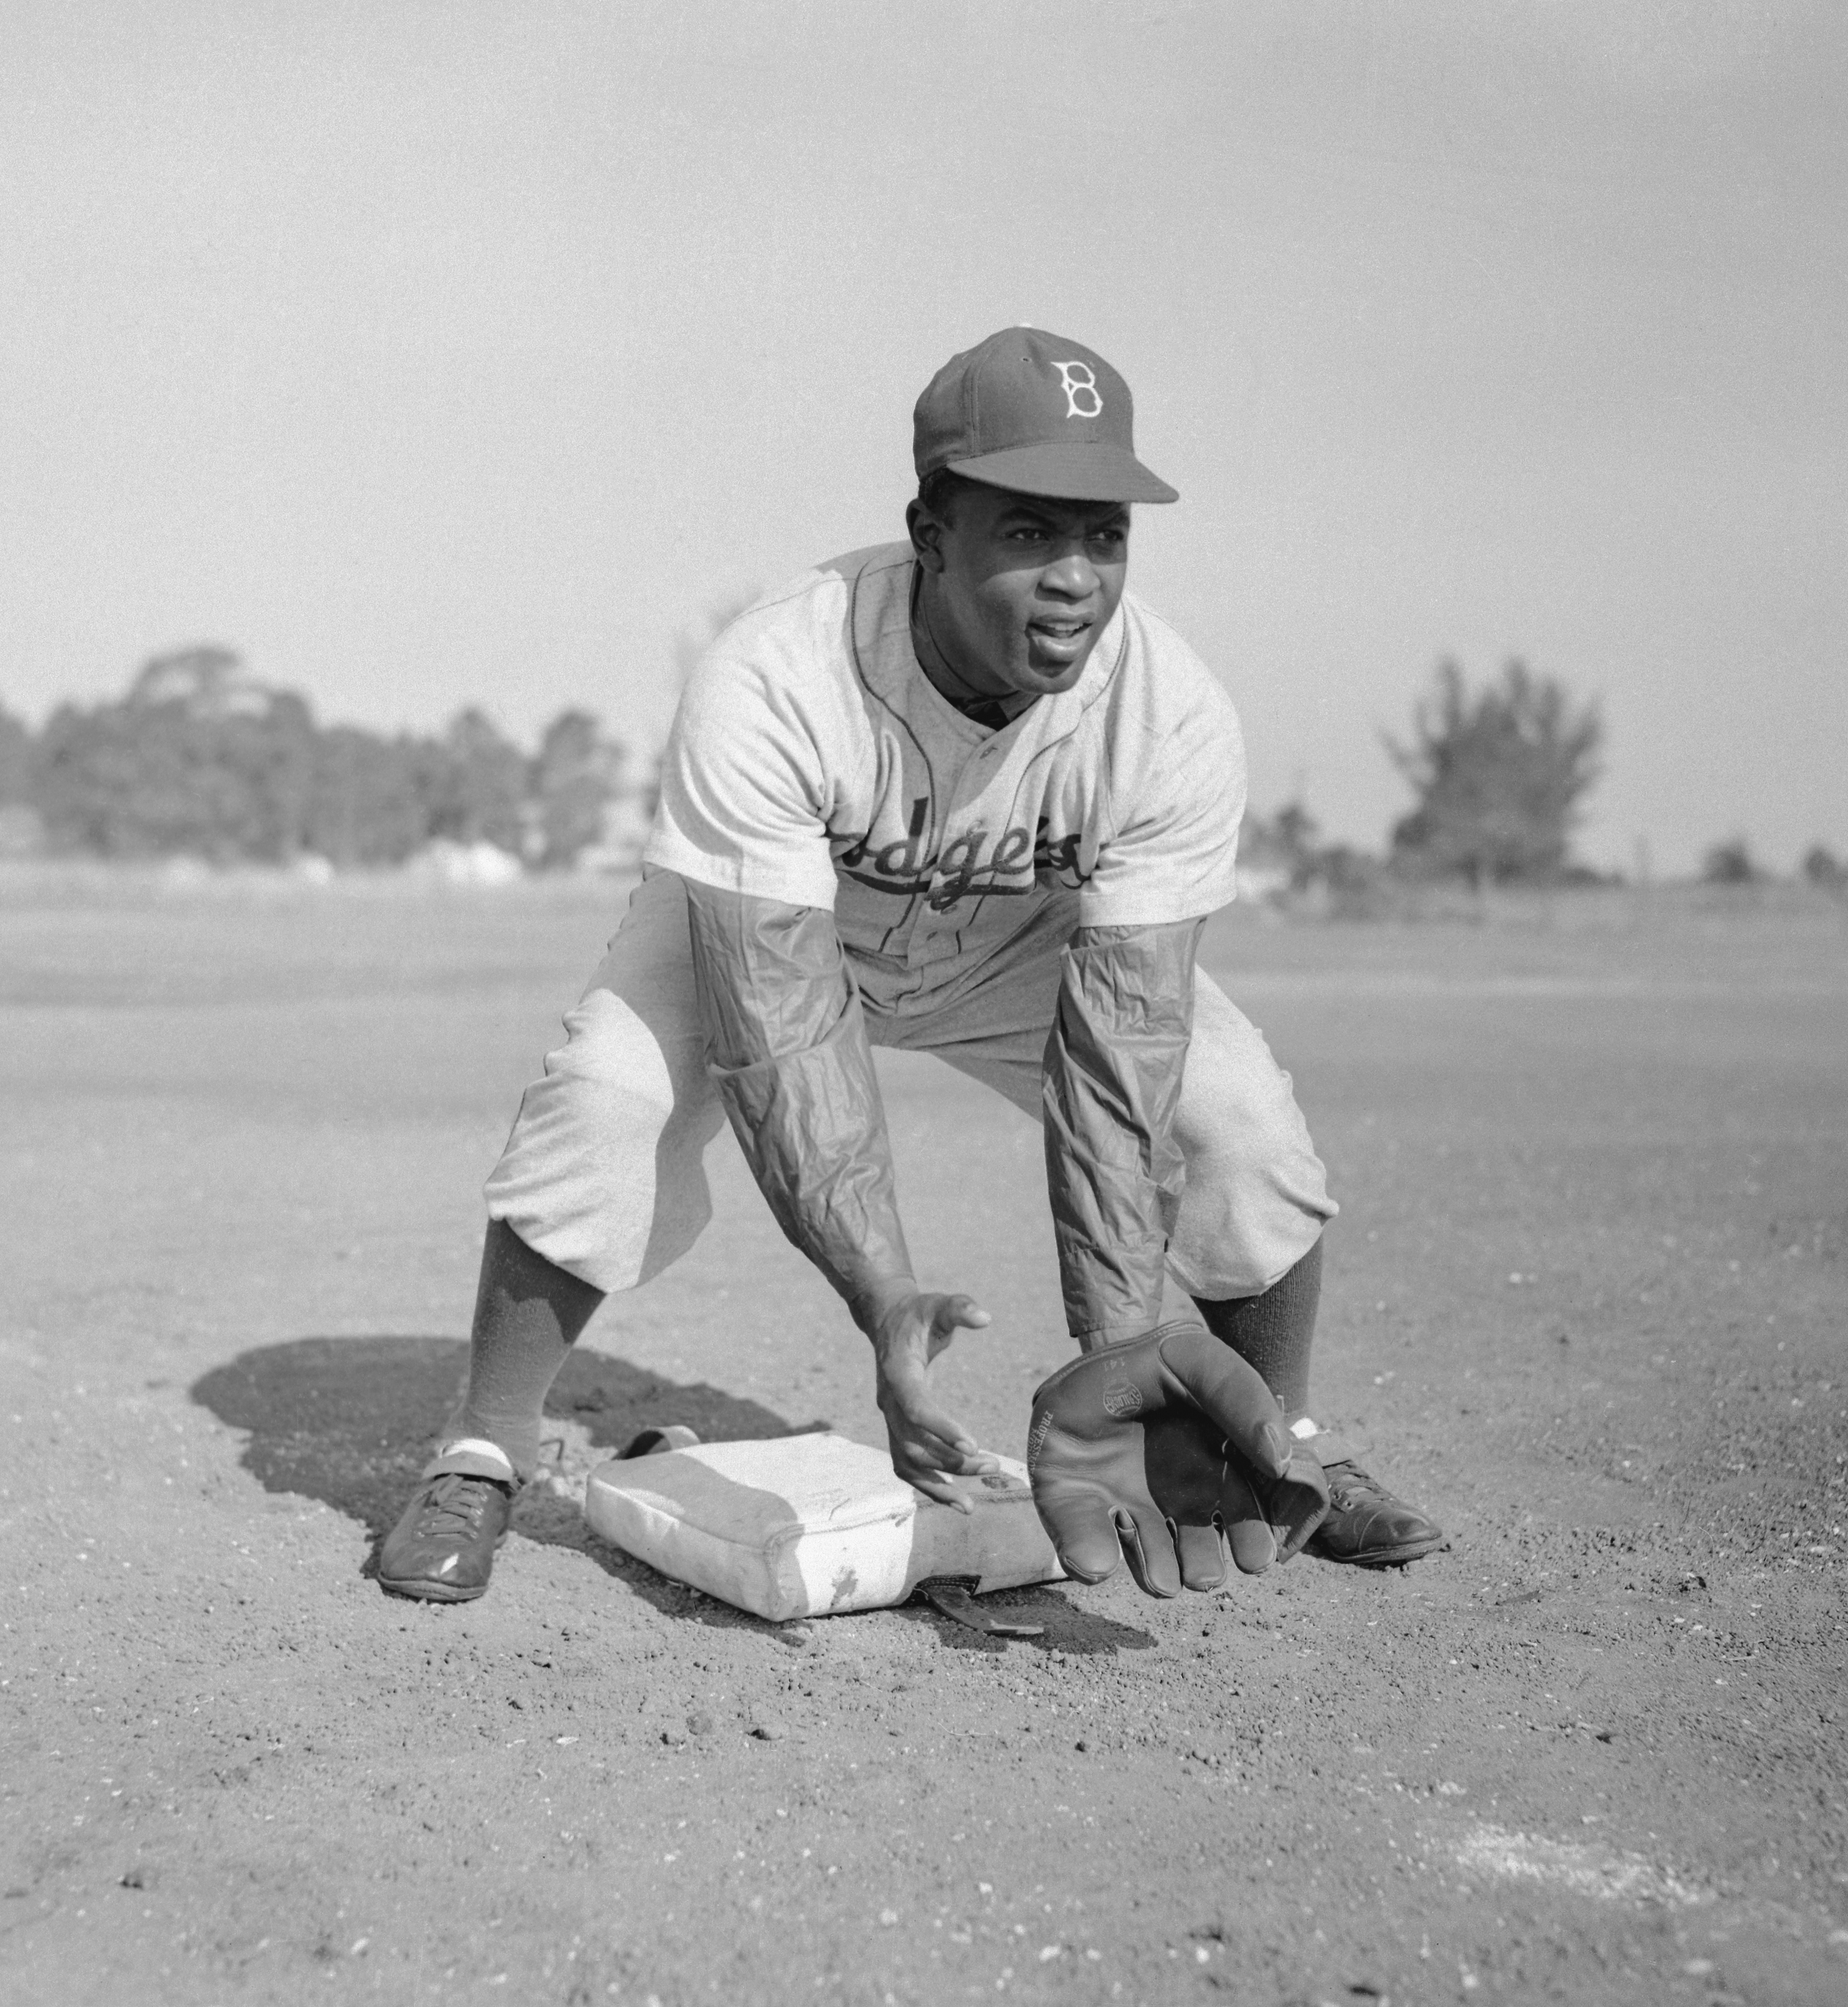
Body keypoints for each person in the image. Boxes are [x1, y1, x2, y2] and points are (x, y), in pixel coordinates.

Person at [378, 327, 1442, 1604]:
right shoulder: (781, 670)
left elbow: (1122, 1057)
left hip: (1015, 946)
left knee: (1238, 1121)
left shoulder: (1167, 711)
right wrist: (879, 1293)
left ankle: (1284, 1445)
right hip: (772, 928)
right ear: (930, 531)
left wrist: (1119, 1352)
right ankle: (483, 1448)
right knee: (608, 1095)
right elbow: (782, 1029)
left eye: (1102, 536)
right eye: (1025, 532)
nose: (1074, 581)